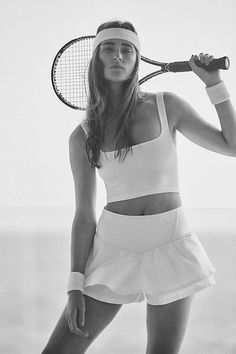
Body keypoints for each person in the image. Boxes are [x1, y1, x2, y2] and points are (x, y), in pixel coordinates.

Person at [42, 20, 236, 354]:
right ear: (96, 61)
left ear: (136, 60)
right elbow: (84, 216)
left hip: (171, 241)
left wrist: (214, 85)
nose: (117, 55)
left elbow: (232, 145)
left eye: (126, 49)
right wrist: (75, 284)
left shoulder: (167, 105)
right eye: (108, 48)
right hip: (113, 248)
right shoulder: (83, 136)